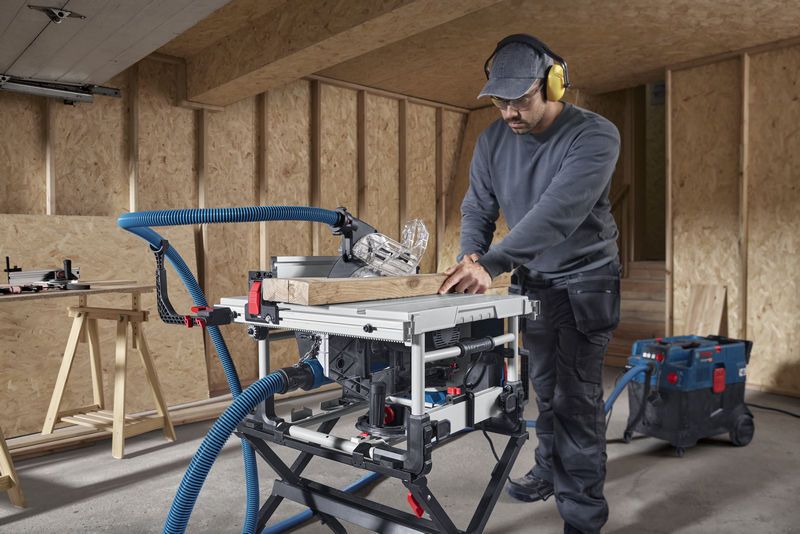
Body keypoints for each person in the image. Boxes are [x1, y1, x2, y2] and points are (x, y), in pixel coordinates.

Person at [438, 34, 621, 534]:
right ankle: (548, 469)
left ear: (554, 86)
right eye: (501, 101)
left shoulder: (595, 135)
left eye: (521, 99)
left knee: (577, 398)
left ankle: (582, 516)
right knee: (543, 387)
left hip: (586, 282)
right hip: (535, 284)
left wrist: (492, 263)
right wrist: (470, 254)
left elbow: (557, 214)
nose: (510, 112)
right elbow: (478, 206)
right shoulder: (493, 140)